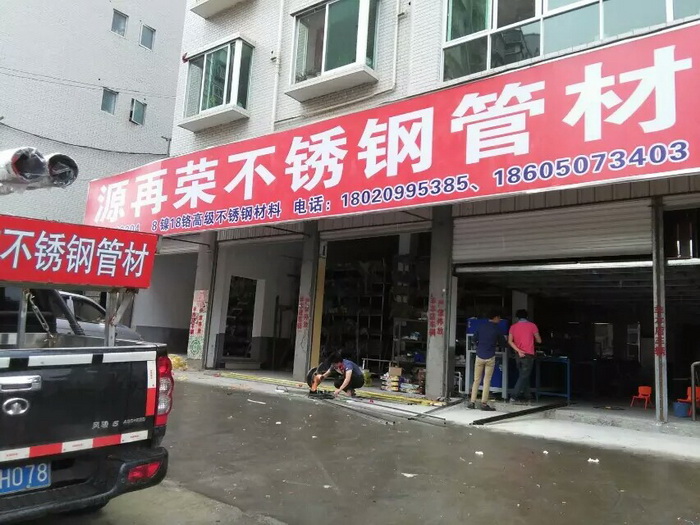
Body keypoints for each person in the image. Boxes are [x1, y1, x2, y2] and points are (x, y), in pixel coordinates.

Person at [468, 311, 503, 411]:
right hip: (490, 357)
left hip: (479, 356)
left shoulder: (481, 326)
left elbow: (473, 339)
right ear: (495, 317)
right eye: (499, 318)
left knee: (476, 380)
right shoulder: (497, 329)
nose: (500, 320)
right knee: (487, 380)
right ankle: (484, 404)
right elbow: (502, 343)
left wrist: (479, 346)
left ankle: (472, 402)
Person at [508, 309, 542, 403]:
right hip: (528, 354)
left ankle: (528, 395)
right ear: (527, 316)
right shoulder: (532, 326)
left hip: (518, 355)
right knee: (524, 376)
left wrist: (518, 350)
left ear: (517, 317)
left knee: (523, 375)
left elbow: (510, 341)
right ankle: (513, 397)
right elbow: (539, 340)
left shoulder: (513, 327)